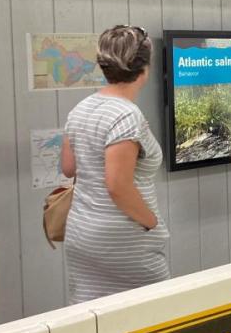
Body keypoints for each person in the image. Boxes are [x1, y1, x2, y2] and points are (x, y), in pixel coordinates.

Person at [59, 25, 169, 304]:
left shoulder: (80, 109)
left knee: (92, 324)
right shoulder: (126, 116)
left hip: (81, 234)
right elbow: (118, 186)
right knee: (151, 318)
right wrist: (151, 222)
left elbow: (69, 168)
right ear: (145, 68)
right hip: (123, 240)